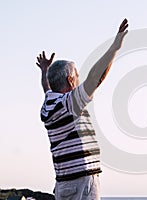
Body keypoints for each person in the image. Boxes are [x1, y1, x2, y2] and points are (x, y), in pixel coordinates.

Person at [36, 19, 128, 200]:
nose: (79, 79)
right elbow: (96, 79)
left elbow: (46, 88)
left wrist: (45, 71)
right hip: (81, 185)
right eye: (77, 76)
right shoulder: (69, 104)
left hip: (65, 184)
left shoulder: (50, 104)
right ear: (71, 81)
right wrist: (114, 48)